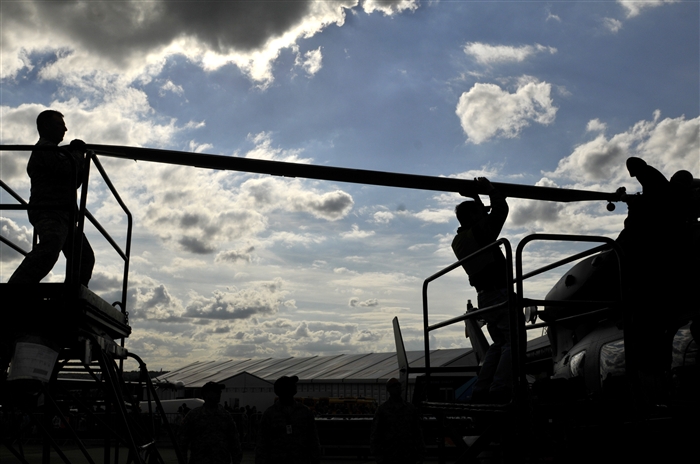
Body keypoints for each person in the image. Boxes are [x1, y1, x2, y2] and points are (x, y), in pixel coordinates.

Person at [8, 110, 94, 286]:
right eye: (60, 125)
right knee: (50, 248)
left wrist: (79, 158)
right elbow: (67, 171)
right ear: (46, 127)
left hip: (65, 215)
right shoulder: (44, 149)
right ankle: (13, 291)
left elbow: (74, 181)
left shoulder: (57, 152)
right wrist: (77, 153)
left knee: (84, 257)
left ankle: (68, 298)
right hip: (50, 212)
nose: (65, 129)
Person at [451, 177, 511, 403]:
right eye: (479, 211)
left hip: (485, 297)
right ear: (474, 217)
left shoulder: (460, 239)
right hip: (499, 293)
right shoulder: (480, 233)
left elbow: (482, 220)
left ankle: (482, 388)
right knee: (513, 341)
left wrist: (475, 198)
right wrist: (489, 190)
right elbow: (499, 212)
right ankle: (501, 387)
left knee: (498, 344)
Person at [255, 375, 320, 464]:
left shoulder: (305, 412)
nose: (294, 387)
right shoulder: (270, 414)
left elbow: (313, 439)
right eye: (290, 385)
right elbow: (262, 443)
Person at [179, 381, 242, 464]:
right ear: (206, 394)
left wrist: (236, 460)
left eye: (219, 392)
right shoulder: (194, 415)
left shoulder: (225, 416)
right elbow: (182, 442)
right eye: (215, 391)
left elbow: (234, 442)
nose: (219, 394)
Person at [370, 378, 424, 464]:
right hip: (389, 455)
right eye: (394, 385)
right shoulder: (382, 410)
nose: (397, 387)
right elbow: (376, 433)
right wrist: (378, 456)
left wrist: (421, 453)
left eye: (399, 385)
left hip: (408, 455)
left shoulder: (410, 409)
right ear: (388, 390)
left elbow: (417, 431)